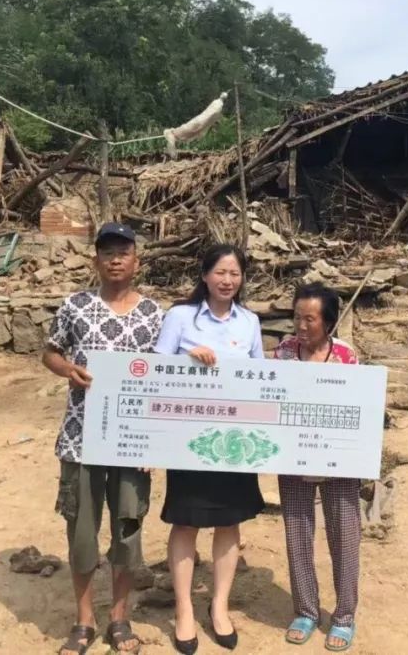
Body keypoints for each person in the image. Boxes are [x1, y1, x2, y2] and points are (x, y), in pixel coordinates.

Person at [42, 223, 164, 655]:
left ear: (136, 261)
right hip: (81, 437)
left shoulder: (154, 314)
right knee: (81, 530)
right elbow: (50, 351)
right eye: (106, 252)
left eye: (123, 252)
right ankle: (83, 619)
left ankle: (119, 617)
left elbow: (164, 378)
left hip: (130, 441)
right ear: (95, 260)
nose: (115, 259)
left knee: (127, 529)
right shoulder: (75, 306)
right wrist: (66, 370)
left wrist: (153, 441)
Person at [153, 244, 264, 654]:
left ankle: (219, 606)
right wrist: (189, 360)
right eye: (220, 272)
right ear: (204, 275)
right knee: (185, 522)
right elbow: (155, 370)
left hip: (234, 439)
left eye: (234, 274)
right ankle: (184, 608)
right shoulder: (180, 317)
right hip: (189, 437)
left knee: (229, 522)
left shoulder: (249, 322)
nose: (227, 280)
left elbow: (259, 377)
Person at [274, 282, 361, 652]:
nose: (302, 326)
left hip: (337, 461)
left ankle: (343, 616)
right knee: (297, 533)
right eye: (297, 317)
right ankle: (307, 610)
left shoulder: (346, 356)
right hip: (294, 459)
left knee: (344, 535)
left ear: (328, 321)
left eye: (310, 319)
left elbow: (359, 409)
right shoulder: (282, 353)